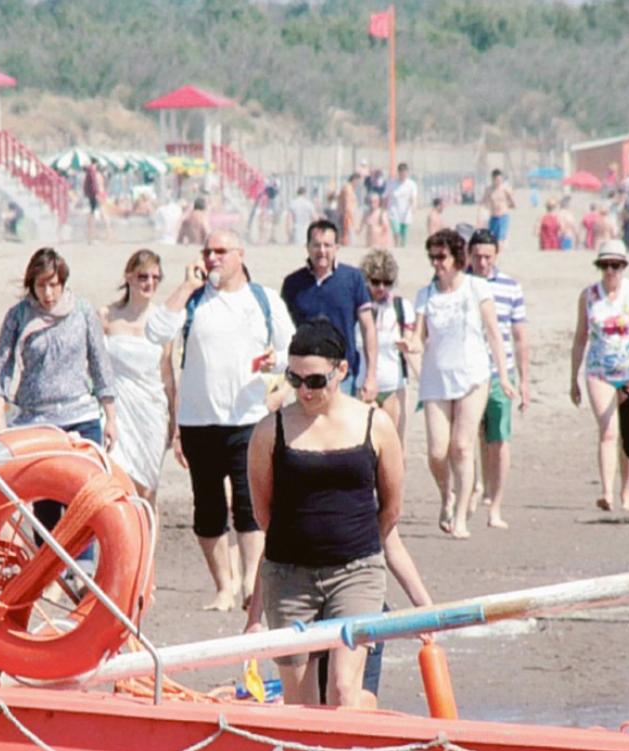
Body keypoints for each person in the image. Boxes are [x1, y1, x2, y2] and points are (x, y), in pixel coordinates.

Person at [244, 320, 404, 707]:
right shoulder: (270, 430)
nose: (304, 391)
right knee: (302, 702)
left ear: (342, 371)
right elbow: (265, 513)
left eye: (315, 381)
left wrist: (352, 543)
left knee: (344, 690)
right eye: (294, 379)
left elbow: (391, 508)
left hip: (356, 572)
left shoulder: (375, 424)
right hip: (288, 574)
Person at [147, 229, 295, 610]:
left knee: (249, 506)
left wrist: (274, 361)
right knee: (208, 508)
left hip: (248, 417)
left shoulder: (263, 299)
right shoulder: (195, 300)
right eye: (208, 251)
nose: (213, 258)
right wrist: (184, 286)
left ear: (240, 255)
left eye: (221, 251)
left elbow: (290, 347)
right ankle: (223, 587)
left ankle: (250, 582)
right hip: (199, 420)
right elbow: (156, 330)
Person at [411, 228, 512, 539]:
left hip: (473, 376)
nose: (436, 263)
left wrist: (505, 377)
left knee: (462, 446)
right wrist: (409, 345)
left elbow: (493, 333)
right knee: (437, 452)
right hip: (435, 378)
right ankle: (448, 496)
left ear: (457, 256)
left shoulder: (476, 288)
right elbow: (418, 337)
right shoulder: (425, 295)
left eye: (441, 257)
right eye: (432, 258)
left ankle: (461, 518)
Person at [0, 247, 118, 450]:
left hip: (81, 417)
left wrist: (111, 418)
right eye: (41, 285)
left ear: (63, 283)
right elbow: (1, 368)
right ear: (31, 284)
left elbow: (100, 364)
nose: (48, 293)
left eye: (53, 285)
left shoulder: (82, 310)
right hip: (33, 420)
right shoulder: (18, 315)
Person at [569, 238, 629, 513]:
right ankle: (607, 493)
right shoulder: (589, 296)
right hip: (599, 371)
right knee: (608, 430)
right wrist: (573, 378)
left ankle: (627, 492)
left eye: (615, 266)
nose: (610, 271)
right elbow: (580, 338)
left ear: (624, 266)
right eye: (605, 266)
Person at [466, 229, 528, 529]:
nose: (482, 262)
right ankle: (477, 485)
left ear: (496, 256)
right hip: (466, 374)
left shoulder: (510, 287)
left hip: (500, 374)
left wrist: (524, 381)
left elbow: (519, 337)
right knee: (469, 437)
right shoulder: (458, 284)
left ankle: (496, 505)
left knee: (499, 438)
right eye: (477, 256)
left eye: (487, 256)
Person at [101, 250, 174, 503]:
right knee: (115, 485)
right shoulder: (106, 316)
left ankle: (148, 543)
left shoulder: (162, 321)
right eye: (143, 276)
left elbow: (167, 374)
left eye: (156, 277)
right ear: (129, 277)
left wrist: (175, 421)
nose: (149, 283)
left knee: (147, 492)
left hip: (151, 411)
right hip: (116, 410)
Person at [280, 219, 377, 399]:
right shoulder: (293, 283)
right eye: (316, 245)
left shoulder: (353, 279)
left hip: (342, 375)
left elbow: (368, 327)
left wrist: (371, 376)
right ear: (307, 247)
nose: (322, 251)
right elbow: (282, 330)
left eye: (327, 245)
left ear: (337, 248)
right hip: (304, 378)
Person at [359, 248, 417, 452]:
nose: (381, 287)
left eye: (387, 282)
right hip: (362, 385)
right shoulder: (357, 308)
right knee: (364, 447)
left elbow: (412, 339)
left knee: (395, 447)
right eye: (375, 282)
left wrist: (408, 343)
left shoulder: (401, 307)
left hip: (394, 385)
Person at [386, 162, 418, 247]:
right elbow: (386, 196)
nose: (403, 175)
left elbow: (414, 197)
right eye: (402, 173)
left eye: (405, 173)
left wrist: (414, 206)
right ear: (399, 172)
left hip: (405, 211)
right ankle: (396, 245)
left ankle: (403, 246)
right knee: (396, 230)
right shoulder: (392, 183)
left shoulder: (411, 184)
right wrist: (383, 209)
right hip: (393, 210)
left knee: (403, 232)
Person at [482, 169, 516, 243]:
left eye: (500, 179)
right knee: (492, 238)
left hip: (503, 216)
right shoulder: (488, 190)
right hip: (493, 217)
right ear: (493, 179)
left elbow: (514, 204)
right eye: (497, 179)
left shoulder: (505, 189)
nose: (499, 181)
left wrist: (506, 206)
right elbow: (483, 203)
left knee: (501, 238)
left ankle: (501, 251)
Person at [83, 162, 107, 242]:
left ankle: (93, 236)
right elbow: (98, 187)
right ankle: (94, 236)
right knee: (96, 215)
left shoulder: (94, 175)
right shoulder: (97, 175)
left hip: (96, 196)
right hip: (97, 196)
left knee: (95, 215)